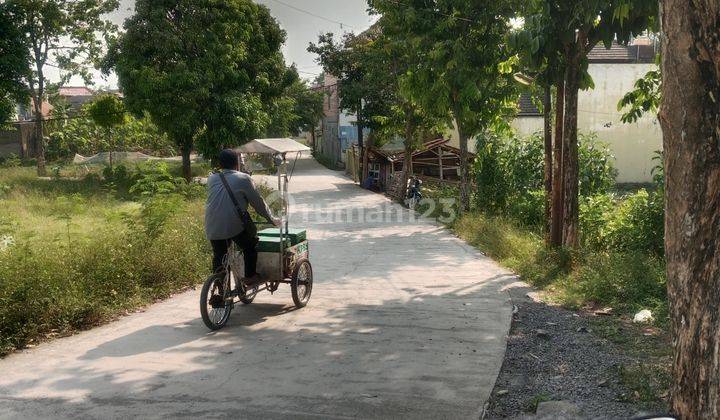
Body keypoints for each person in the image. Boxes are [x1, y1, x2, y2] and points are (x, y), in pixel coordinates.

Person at [205, 149, 280, 286]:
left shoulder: (212, 178)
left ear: (220, 164)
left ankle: (219, 287)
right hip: (233, 226)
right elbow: (258, 204)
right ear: (237, 163)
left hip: (212, 225)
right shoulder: (243, 178)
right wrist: (271, 219)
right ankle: (250, 276)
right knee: (250, 245)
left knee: (219, 255)